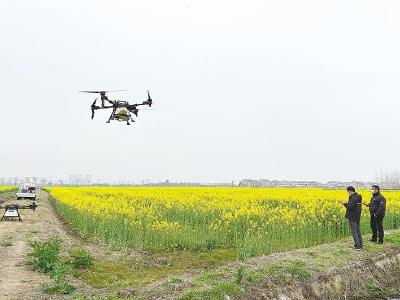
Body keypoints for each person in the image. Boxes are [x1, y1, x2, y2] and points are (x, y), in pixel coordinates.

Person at [341, 186, 363, 250]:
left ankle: (357, 246)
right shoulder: (358, 197)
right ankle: (360, 245)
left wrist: (344, 203)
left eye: (348, 192)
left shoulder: (353, 198)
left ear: (350, 191)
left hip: (352, 217)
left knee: (354, 232)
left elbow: (350, 207)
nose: (347, 193)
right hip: (357, 216)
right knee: (358, 231)